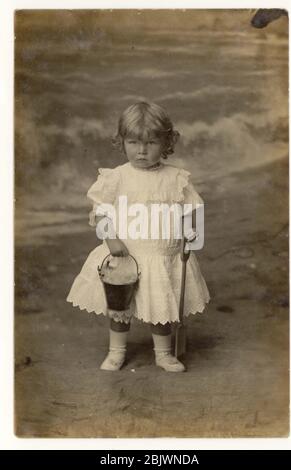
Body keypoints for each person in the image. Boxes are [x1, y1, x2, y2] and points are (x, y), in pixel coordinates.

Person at [67, 101, 210, 372]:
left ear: (167, 142)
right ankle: (116, 351)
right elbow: (101, 212)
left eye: (151, 143)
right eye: (133, 142)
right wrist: (111, 239)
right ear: (122, 142)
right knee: (120, 308)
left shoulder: (175, 178)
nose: (142, 151)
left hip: (160, 254)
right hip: (125, 255)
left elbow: (191, 210)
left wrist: (191, 235)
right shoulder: (117, 178)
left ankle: (164, 354)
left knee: (161, 308)